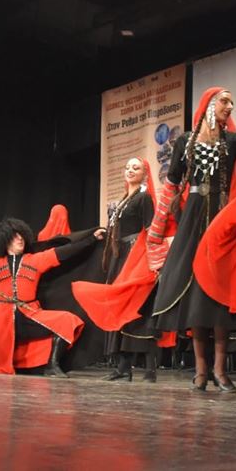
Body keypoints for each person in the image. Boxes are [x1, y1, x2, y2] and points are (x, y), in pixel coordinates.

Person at [146, 87, 236, 392]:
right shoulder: (184, 143)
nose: (231, 106)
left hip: (222, 219)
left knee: (220, 296)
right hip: (192, 220)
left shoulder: (233, 140)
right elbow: (171, 186)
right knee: (196, 298)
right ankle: (201, 370)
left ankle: (220, 370)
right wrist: (157, 230)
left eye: (232, 101)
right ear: (208, 105)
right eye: (225, 101)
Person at [0, 218, 105, 377]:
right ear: (4, 240)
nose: (20, 239)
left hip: (29, 314)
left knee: (68, 321)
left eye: (21, 235)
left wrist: (91, 239)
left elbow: (65, 252)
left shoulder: (37, 260)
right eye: (15, 236)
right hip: (2, 319)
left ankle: (51, 366)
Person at [72, 157, 164, 382]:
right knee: (120, 308)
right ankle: (123, 367)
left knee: (139, 310)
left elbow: (150, 231)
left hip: (134, 257)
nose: (130, 170)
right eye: (128, 167)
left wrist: (151, 262)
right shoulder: (123, 200)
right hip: (120, 257)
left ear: (145, 174)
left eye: (136, 168)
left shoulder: (143, 198)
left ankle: (150, 369)